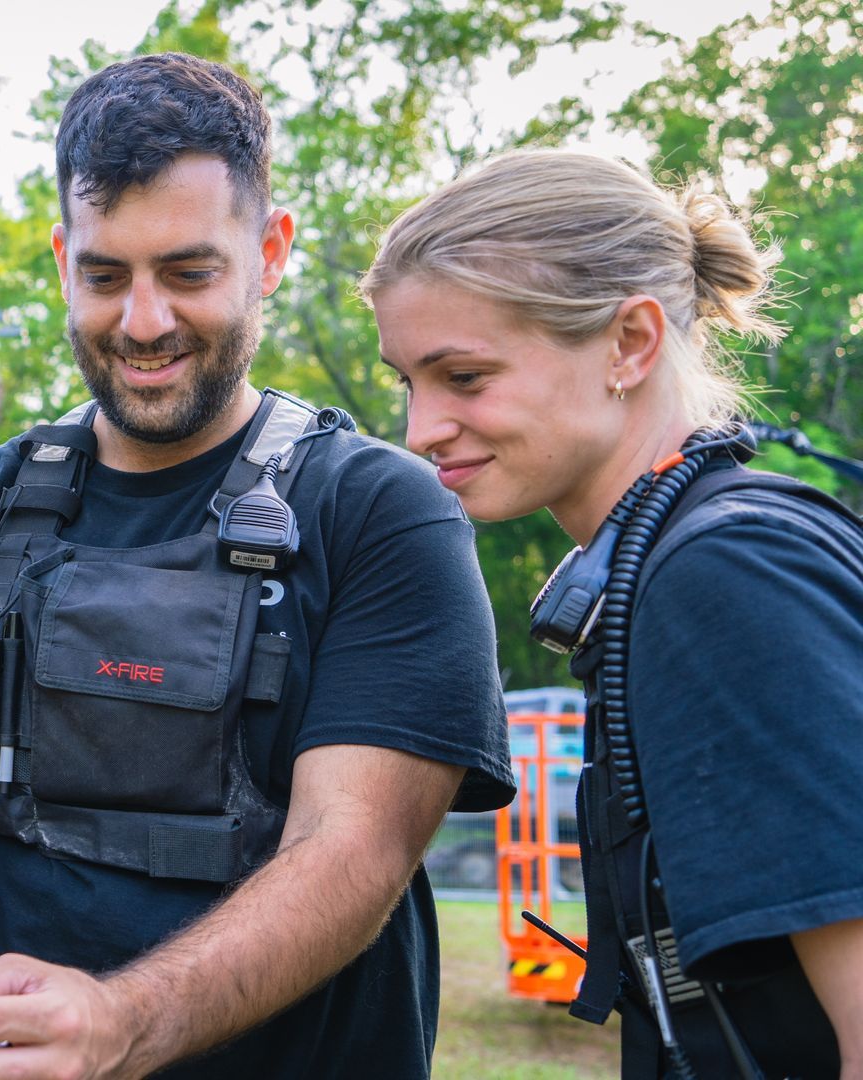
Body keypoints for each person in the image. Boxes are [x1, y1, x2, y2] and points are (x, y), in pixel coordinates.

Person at [0, 53, 516, 1078]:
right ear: (62, 257)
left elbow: (353, 852)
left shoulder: (382, 515)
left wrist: (122, 1021)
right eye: (105, 276)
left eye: (189, 272)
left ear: (270, 252)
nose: (143, 322)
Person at [363, 147, 863, 1078]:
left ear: (629, 344)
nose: (420, 429)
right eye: (409, 383)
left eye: (464, 377)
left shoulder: (727, 575)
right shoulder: (674, 565)